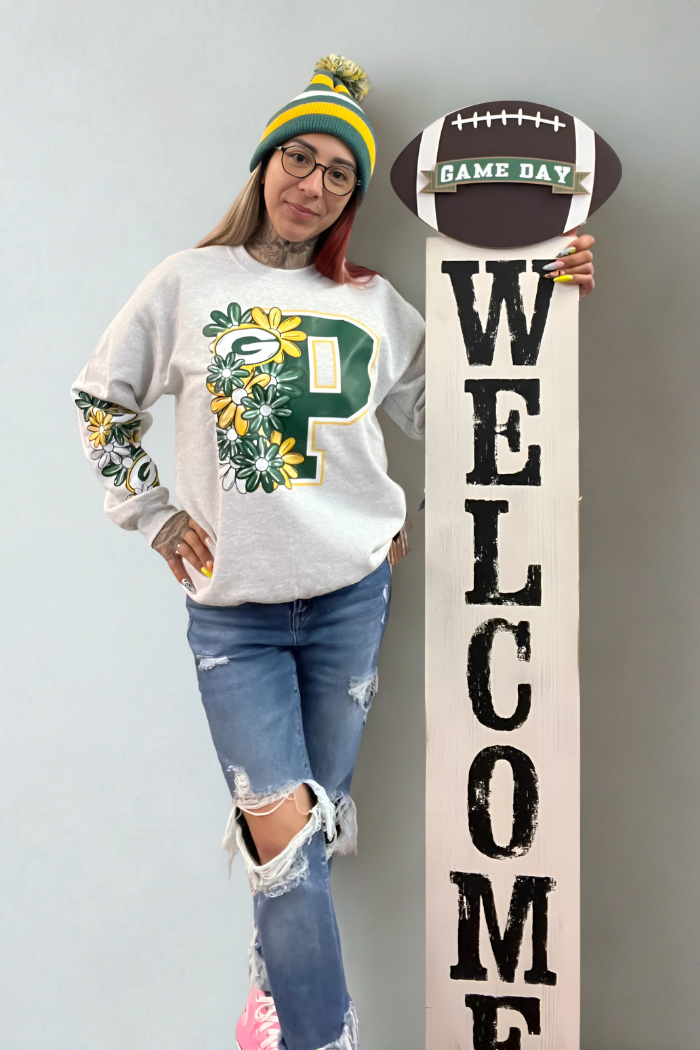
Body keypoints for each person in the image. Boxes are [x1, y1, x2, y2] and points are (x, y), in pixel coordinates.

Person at [71, 55, 595, 1050]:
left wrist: (547, 298)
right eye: (297, 160)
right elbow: (103, 398)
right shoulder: (186, 283)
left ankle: (268, 998)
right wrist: (151, 511)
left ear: (352, 195)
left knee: (311, 842)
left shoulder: (372, 301)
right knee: (283, 842)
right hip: (235, 614)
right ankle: (324, 1038)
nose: (311, 185)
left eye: (337, 174)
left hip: (352, 597)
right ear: (264, 164)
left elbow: (463, 404)